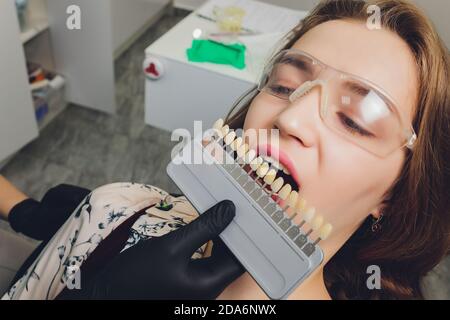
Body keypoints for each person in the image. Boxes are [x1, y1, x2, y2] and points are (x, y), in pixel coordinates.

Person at [2, 0, 450, 300]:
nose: (289, 118)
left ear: (393, 194)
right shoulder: (117, 206)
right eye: (284, 85)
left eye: (354, 120)